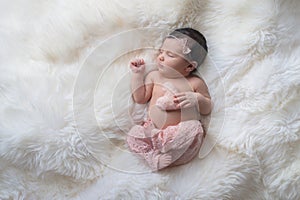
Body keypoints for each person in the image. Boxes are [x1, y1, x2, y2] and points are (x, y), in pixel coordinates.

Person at [126, 28, 212, 171]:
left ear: (189, 66)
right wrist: (137, 75)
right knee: (133, 135)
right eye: (161, 51)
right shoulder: (154, 76)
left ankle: (167, 147)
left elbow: (207, 108)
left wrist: (197, 99)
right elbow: (139, 98)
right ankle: (153, 158)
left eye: (170, 55)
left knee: (195, 128)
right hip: (152, 134)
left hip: (179, 141)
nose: (161, 57)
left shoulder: (194, 83)